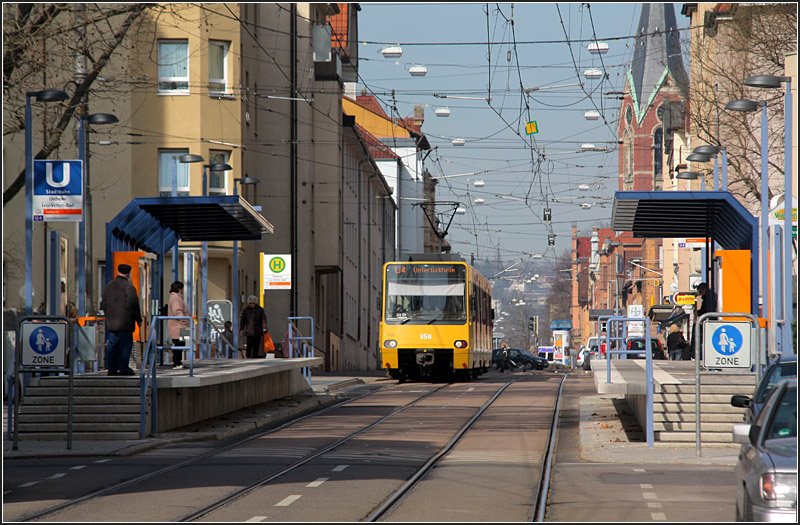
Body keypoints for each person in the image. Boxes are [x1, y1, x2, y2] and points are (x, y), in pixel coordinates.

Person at [100, 263, 142, 376]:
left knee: (111, 346)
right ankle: (123, 368)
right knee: (125, 346)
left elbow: (103, 303)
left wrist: (108, 315)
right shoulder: (129, 287)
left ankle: (111, 368)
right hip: (126, 323)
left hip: (112, 323)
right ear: (128, 274)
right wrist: (138, 319)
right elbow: (133, 304)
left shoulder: (109, 286)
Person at [167, 281, 189, 369]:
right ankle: (177, 363)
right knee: (179, 344)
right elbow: (177, 311)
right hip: (179, 326)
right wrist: (185, 320)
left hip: (178, 326)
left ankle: (178, 362)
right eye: (182, 288)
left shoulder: (175, 297)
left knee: (180, 344)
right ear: (179, 289)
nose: (183, 290)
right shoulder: (176, 298)